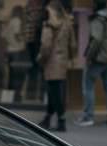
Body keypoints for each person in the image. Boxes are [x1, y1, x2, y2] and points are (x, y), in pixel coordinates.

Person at [74, 0, 107, 127]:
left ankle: (87, 117)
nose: (91, 5)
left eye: (93, 3)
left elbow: (97, 38)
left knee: (88, 84)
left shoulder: (98, 18)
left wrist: (89, 56)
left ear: (96, 5)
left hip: (98, 58)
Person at [36, 0, 76, 132]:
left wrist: (40, 58)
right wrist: (67, 57)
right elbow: (73, 45)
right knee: (53, 90)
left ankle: (61, 119)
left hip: (51, 62)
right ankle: (47, 118)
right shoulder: (67, 24)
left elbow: (46, 46)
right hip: (62, 61)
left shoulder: (48, 24)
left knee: (54, 92)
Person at [1, 6, 29, 102]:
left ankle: (10, 98)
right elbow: (17, 34)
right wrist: (23, 40)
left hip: (9, 51)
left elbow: (3, 35)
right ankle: (17, 97)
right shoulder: (17, 21)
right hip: (16, 51)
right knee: (18, 77)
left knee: (11, 77)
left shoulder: (10, 21)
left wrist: (10, 41)